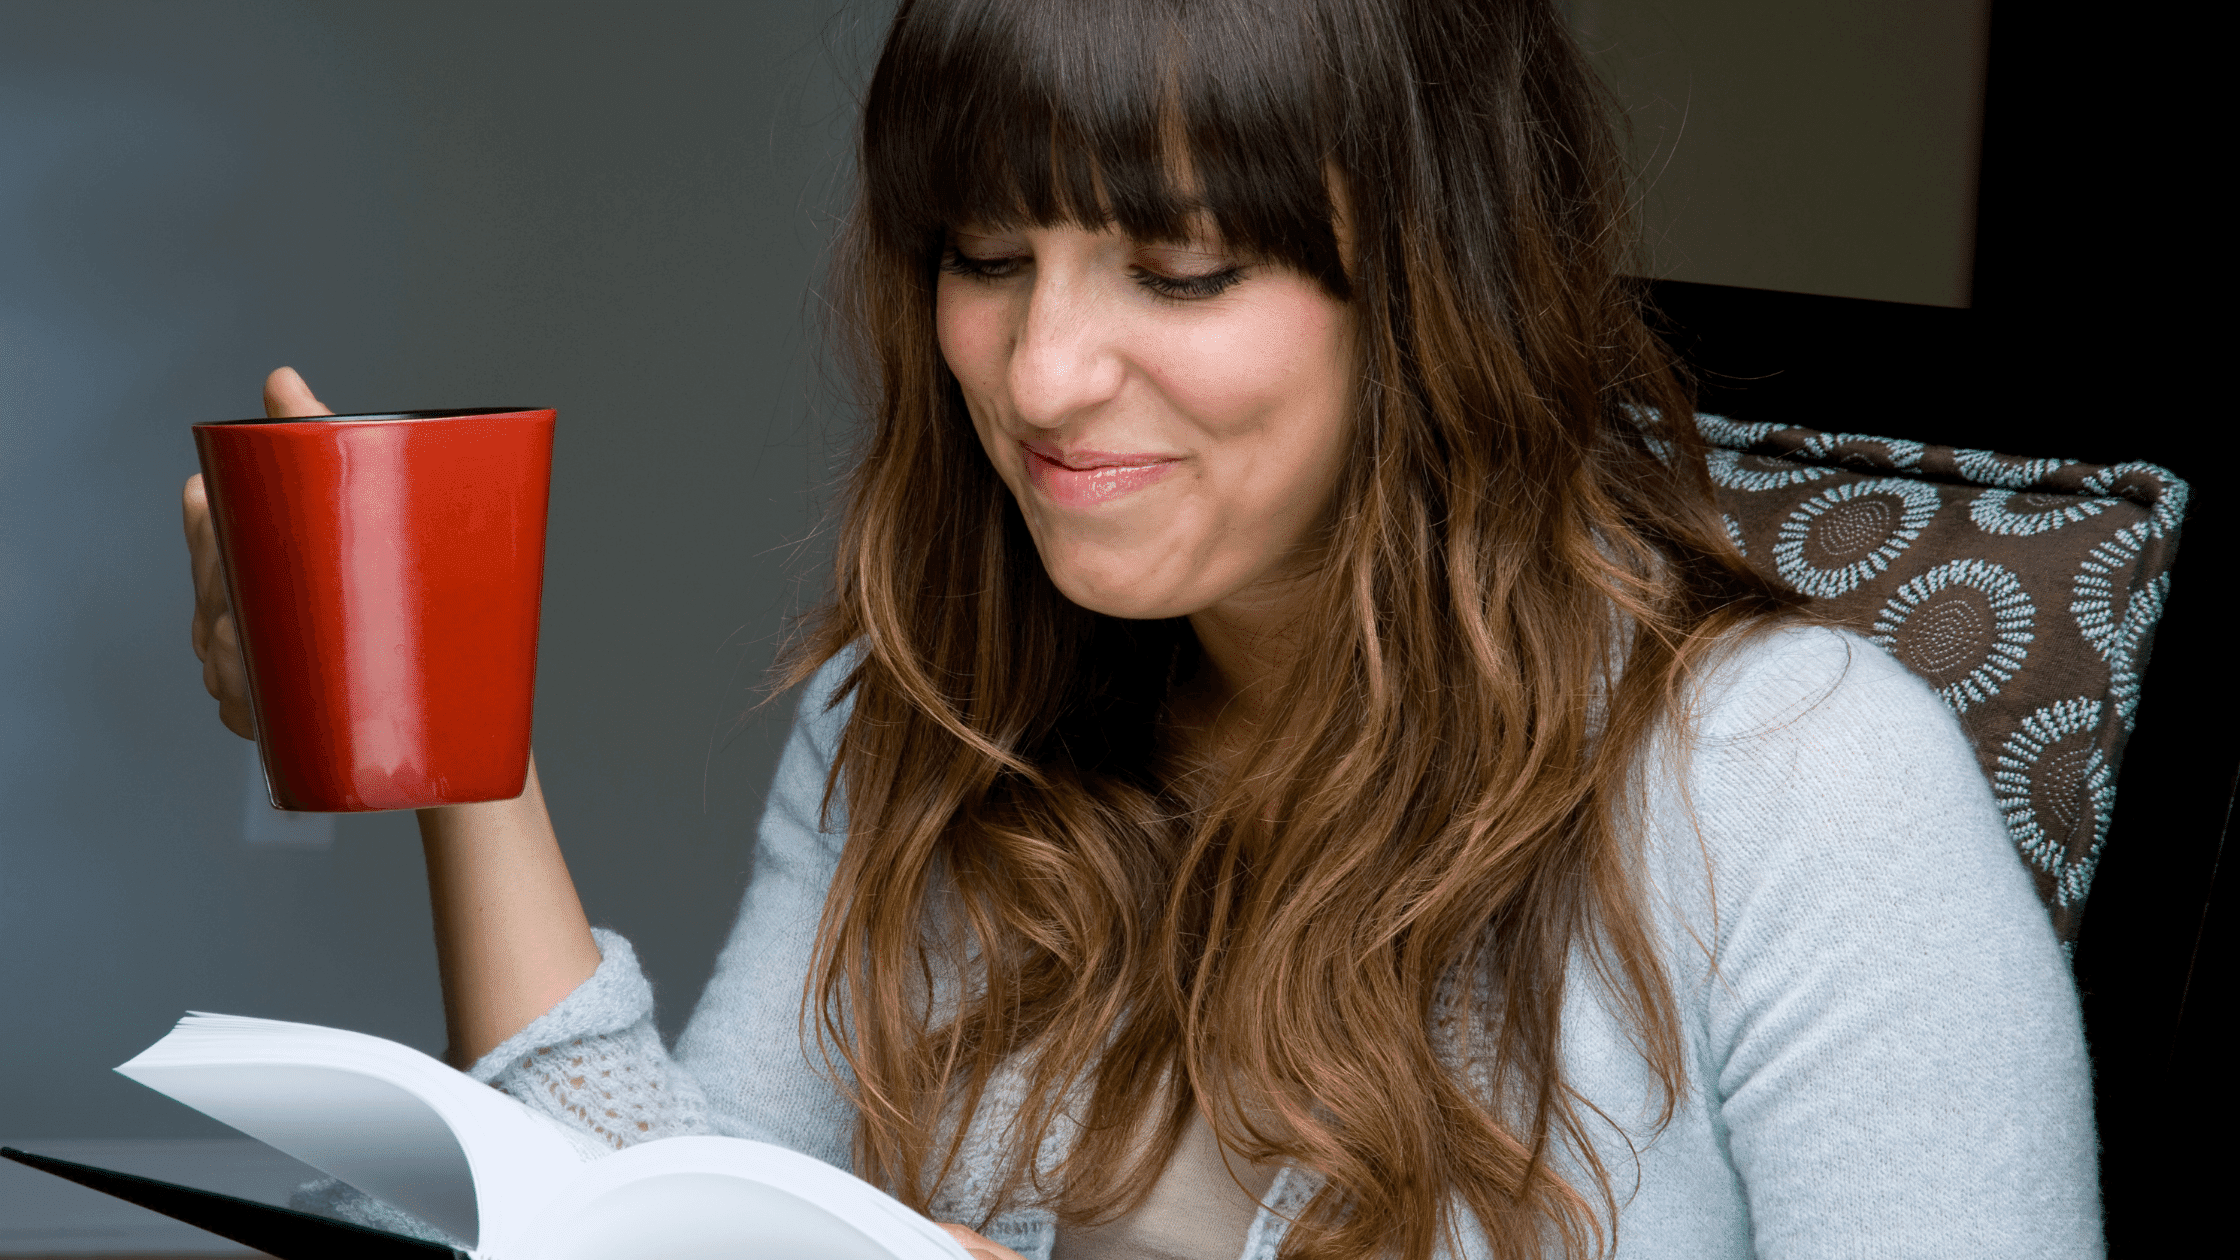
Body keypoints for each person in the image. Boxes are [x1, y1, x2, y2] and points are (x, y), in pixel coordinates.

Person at [181, 1, 2101, 1257]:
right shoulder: (915, 726)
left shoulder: (1800, 788)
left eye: (1180, 267)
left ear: (1434, 289)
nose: (1042, 370)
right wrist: (462, 758)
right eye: (985, 258)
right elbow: (669, 1224)